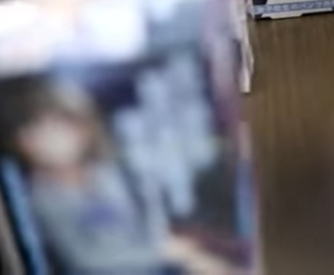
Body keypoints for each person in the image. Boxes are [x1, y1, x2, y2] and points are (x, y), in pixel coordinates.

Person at [0, 79, 227, 273]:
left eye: (62, 129)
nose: (55, 142)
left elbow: (143, 222)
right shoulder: (41, 198)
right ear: (24, 142)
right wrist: (163, 252)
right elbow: (87, 259)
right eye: (41, 133)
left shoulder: (107, 174)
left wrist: (181, 246)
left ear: (84, 131)